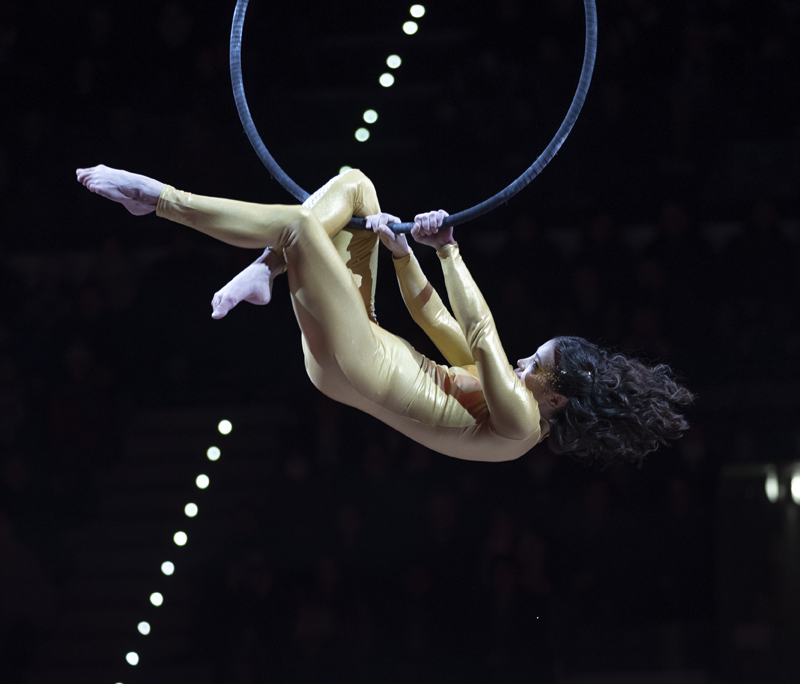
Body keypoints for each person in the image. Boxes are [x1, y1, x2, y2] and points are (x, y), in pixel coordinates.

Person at [75, 166, 692, 465]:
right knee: (358, 186)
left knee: (297, 227)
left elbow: (479, 334)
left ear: (557, 400)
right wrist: (403, 254)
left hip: (357, 366)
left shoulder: (520, 424)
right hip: (362, 341)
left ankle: (159, 200)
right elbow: (434, 321)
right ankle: (265, 270)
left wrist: (447, 248)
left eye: (535, 365)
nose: (522, 361)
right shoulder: (521, 395)